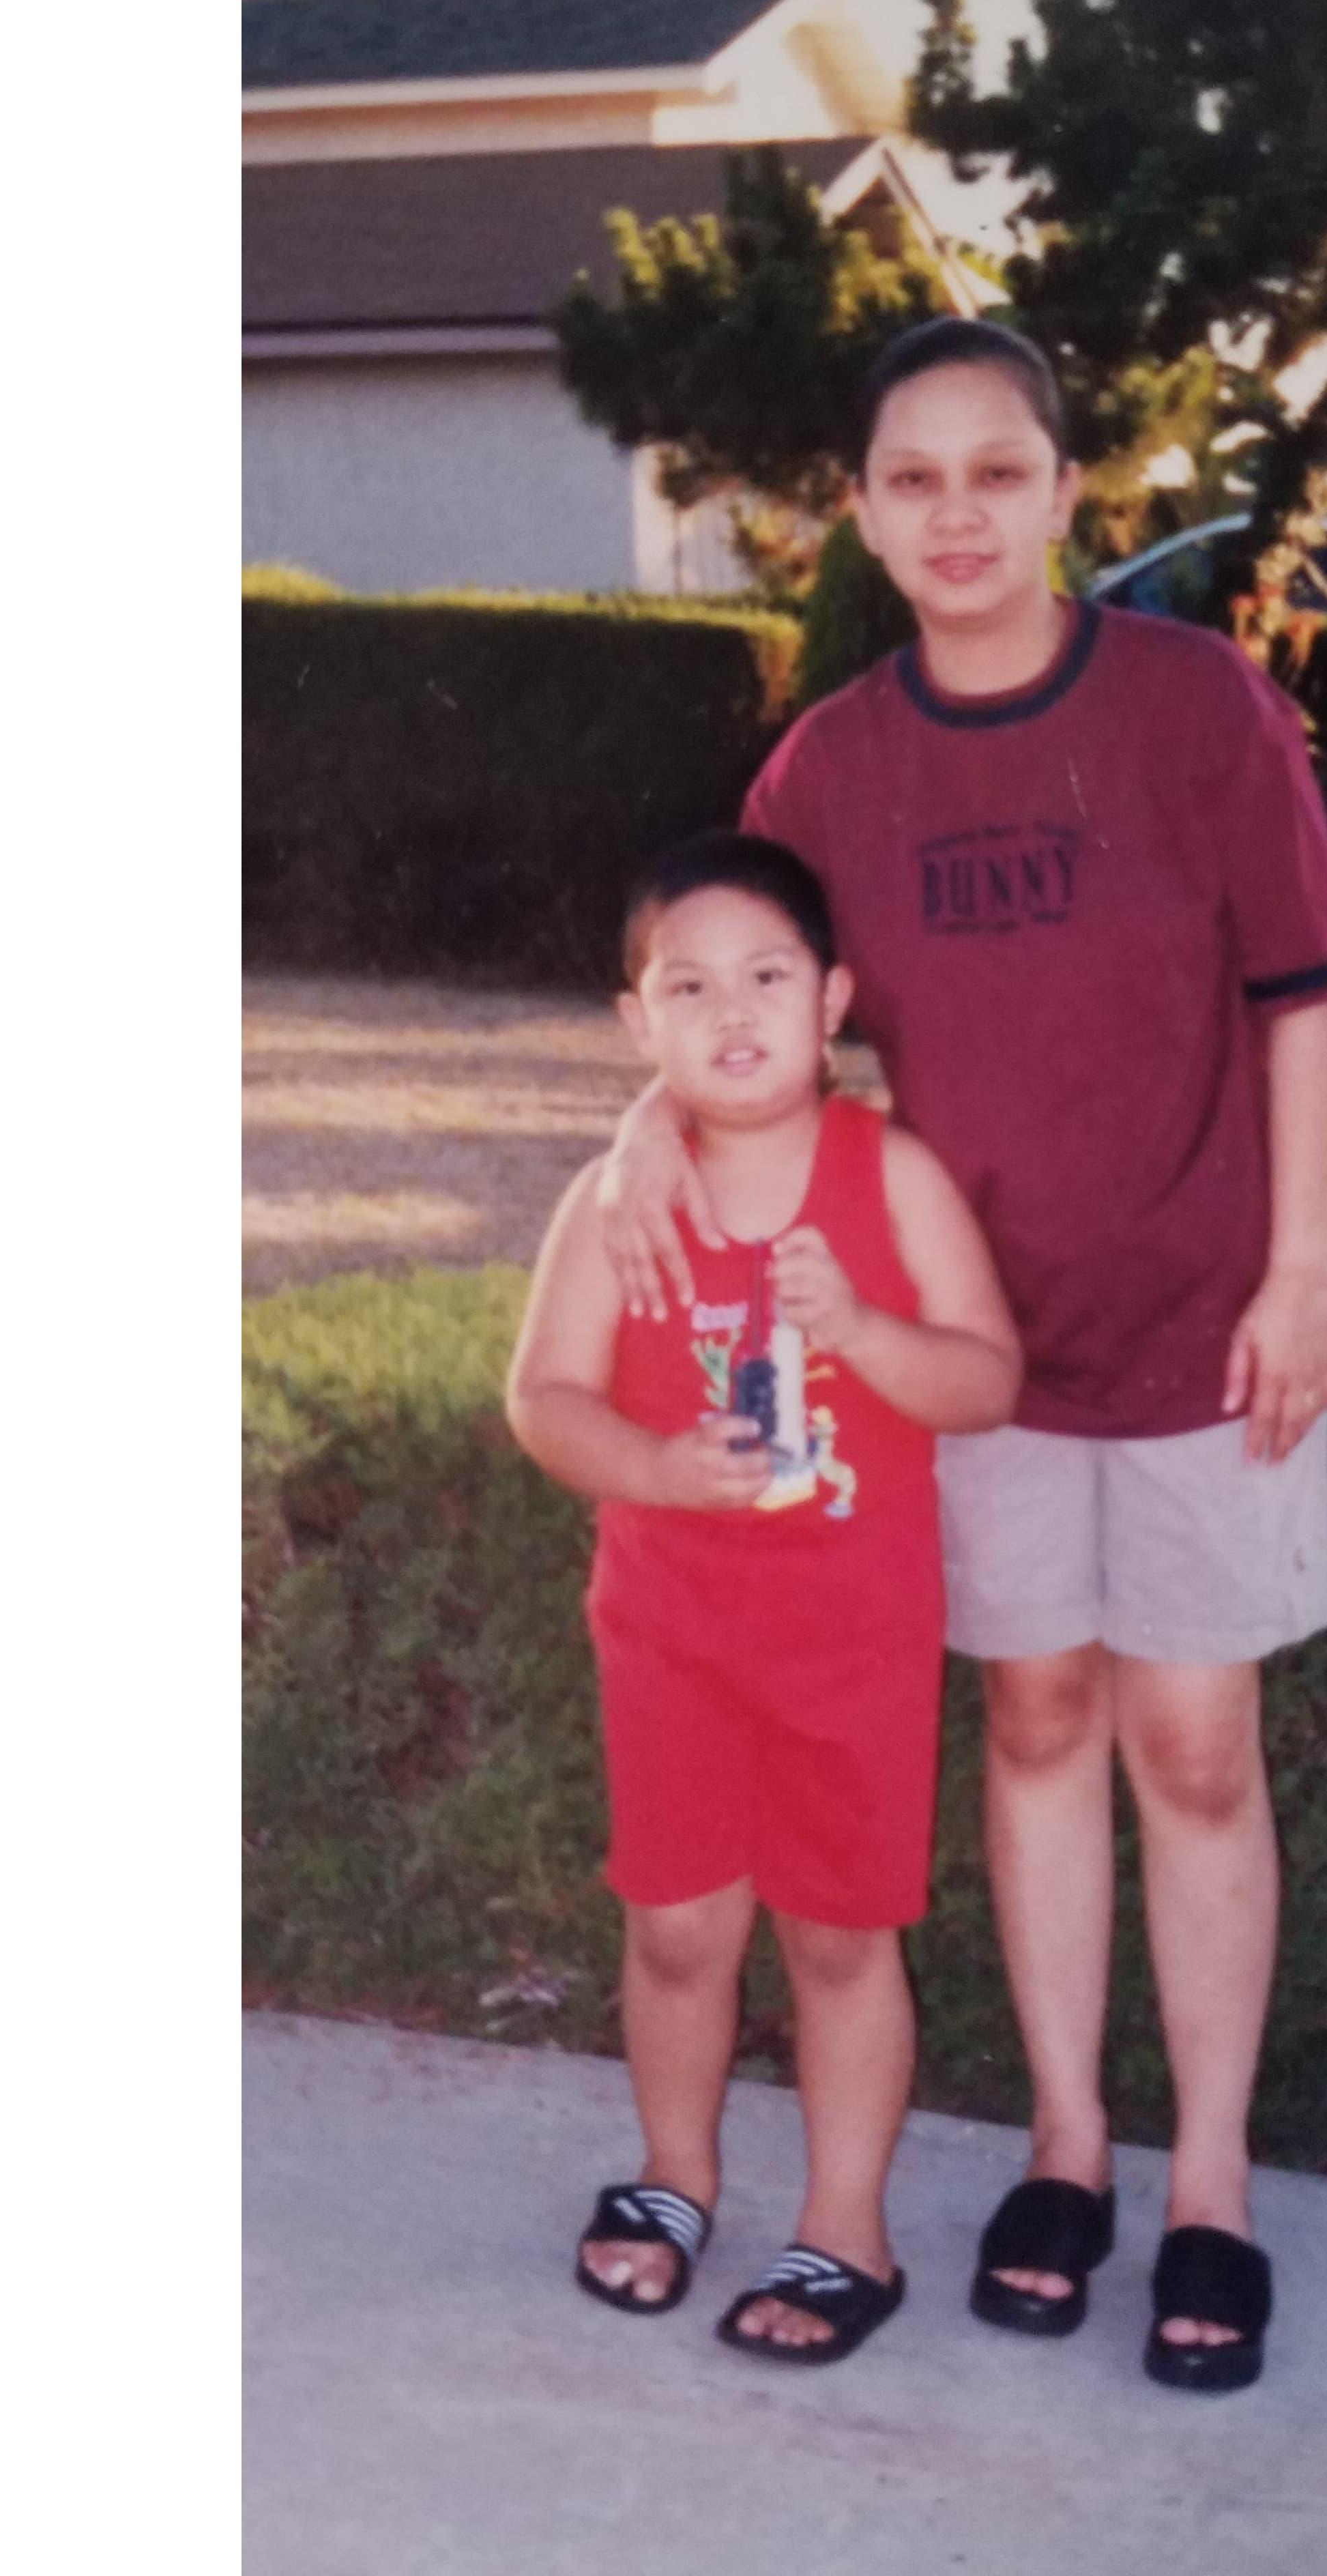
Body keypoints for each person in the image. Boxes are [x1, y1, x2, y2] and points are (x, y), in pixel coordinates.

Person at [598, 317, 1327, 2392]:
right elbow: (720, 983)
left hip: (1210, 1326)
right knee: (1037, 1718)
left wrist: (1301, 1270)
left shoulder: (1202, 710)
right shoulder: (831, 765)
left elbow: (1309, 1000)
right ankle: (1069, 2150)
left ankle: (1209, 2184)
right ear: (864, 509)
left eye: (999, 469)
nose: (959, 511)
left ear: (1065, 491)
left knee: (1193, 1742)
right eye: (914, 477)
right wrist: (630, 1136)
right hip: (975, 1346)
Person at [504, 830, 1021, 2368]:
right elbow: (544, 1397)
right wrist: (656, 1469)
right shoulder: (617, 1198)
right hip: (671, 1634)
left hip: (851, 1642)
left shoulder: (891, 1174)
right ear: (635, 1022)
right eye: (690, 986)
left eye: (770, 977)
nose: (733, 1013)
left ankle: (846, 2226)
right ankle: (675, 2179)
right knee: (676, 1928)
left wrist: (859, 1324)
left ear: (834, 996)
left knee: (845, 1941)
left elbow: (987, 1379)